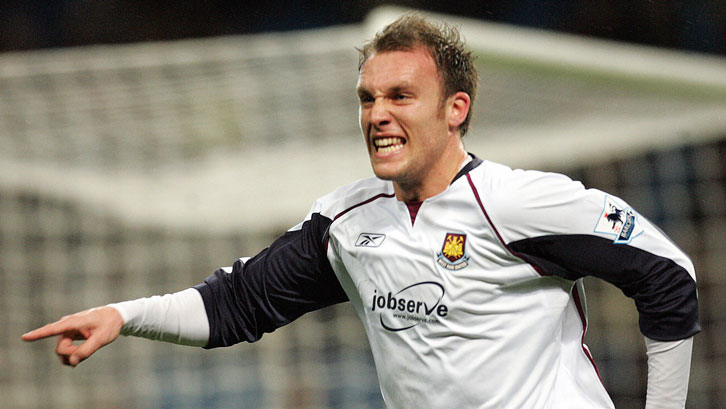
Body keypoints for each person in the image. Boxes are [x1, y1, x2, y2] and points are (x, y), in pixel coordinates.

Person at [22, 13, 699, 409]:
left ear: (454, 109)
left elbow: (670, 275)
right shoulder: (348, 223)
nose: (377, 114)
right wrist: (124, 316)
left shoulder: (522, 203)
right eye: (367, 98)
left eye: (400, 95)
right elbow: (237, 304)